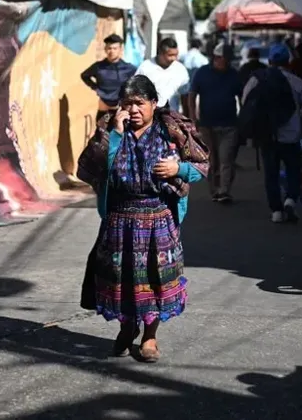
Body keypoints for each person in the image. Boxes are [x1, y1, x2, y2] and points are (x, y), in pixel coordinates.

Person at [76, 75, 208, 362]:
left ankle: (150, 336)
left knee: (154, 279)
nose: (133, 110)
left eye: (139, 103)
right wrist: (113, 134)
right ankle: (127, 328)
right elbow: (86, 169)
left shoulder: (171, 130)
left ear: (153, 103)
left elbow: (202, 166)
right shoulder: (111, 129)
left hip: (158, 218)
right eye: (127, 104)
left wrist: (178, 169)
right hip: (119, 219)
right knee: (121, 279)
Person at [242, 43, 302, 223]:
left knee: (271, 173)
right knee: (293, 170)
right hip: (291, 136)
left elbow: (246, 103)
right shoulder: (297, 82)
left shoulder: (257, 79)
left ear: (270, 61)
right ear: (288, 61)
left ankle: (276, 211)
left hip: (268, 135)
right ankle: (290, 199)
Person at [188, 42, 241, 204]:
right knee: (212, 161)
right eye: (221, 59)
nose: (223, 63)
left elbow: (242, 97)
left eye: (226, 60)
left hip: (229, 125)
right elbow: (192, 95)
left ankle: (224, 191)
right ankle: (214, 190)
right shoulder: (202, 73)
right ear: (215, 58)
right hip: (206, 125)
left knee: (226, 160)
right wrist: (192, 118)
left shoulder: (234, 74)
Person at [80, 34, 137, 117]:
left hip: (121, 110)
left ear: (120, 49)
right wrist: (95, 88)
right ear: (105, 49)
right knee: (101, 129)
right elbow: (84, 76)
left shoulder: (129, 69)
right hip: (104, 108)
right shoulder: (98, 67)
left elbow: (137, 83)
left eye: (115, 48)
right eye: (109, 48)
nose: (112, 51)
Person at [135, 37, 190, 112]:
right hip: (151, 116)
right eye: (170, 55)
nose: (174, 58)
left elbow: (185, 95)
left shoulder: (181, 69)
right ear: (160, 52)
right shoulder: (145, 67)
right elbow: (136, 92)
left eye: (176, 55)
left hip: (173, 115)